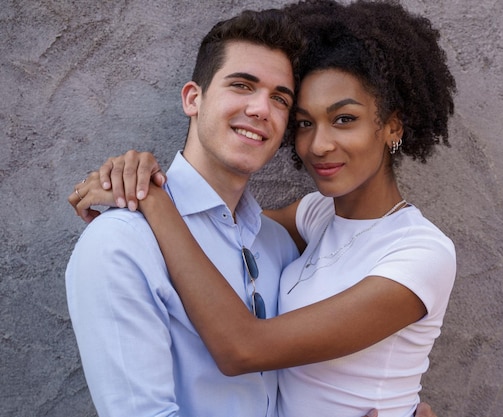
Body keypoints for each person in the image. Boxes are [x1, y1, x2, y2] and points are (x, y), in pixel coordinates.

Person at [70, 1, 453, 416]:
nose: (319, 144)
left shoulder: (413, 251)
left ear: (392, 126)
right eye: (305, 122)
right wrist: (135, 181)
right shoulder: (122, 242)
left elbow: (244, 348)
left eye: (344, 119)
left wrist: (153, 198)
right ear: (192, 98)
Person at [66, 8, 305, 417]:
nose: (262, 109)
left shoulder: (278, 245)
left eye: (279, 98)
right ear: (193, 98)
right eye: (242, 85)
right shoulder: (120, 242)